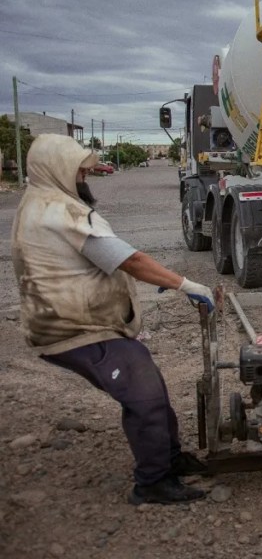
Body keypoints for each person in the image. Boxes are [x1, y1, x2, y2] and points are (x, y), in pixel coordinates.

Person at [12, 134, 213, 505]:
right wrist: (185, 283)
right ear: (58, 169)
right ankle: (152, 482)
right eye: (81, 173)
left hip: (74, 323)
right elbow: (130, 261)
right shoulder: (62, 212)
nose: (86, 177)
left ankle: (170, 458)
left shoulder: (37, 203)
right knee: (144, 395)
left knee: (148, 381)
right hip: (76, 329)